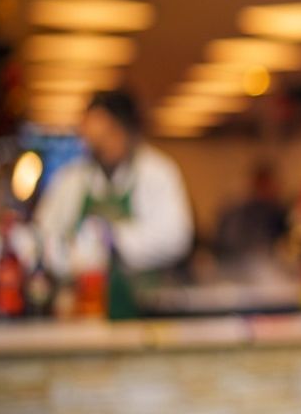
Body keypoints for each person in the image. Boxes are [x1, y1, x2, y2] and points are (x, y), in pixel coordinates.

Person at [34, 89, 194, 319]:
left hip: (145, 309)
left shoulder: (157, 172)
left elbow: (178, 236)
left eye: (107, 135)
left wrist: (117, 240)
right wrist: (71, 256)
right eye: (93, 139)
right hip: (82, 309)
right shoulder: (71, 179)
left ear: (126, 131)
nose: (100, 146)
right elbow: (43, 236)